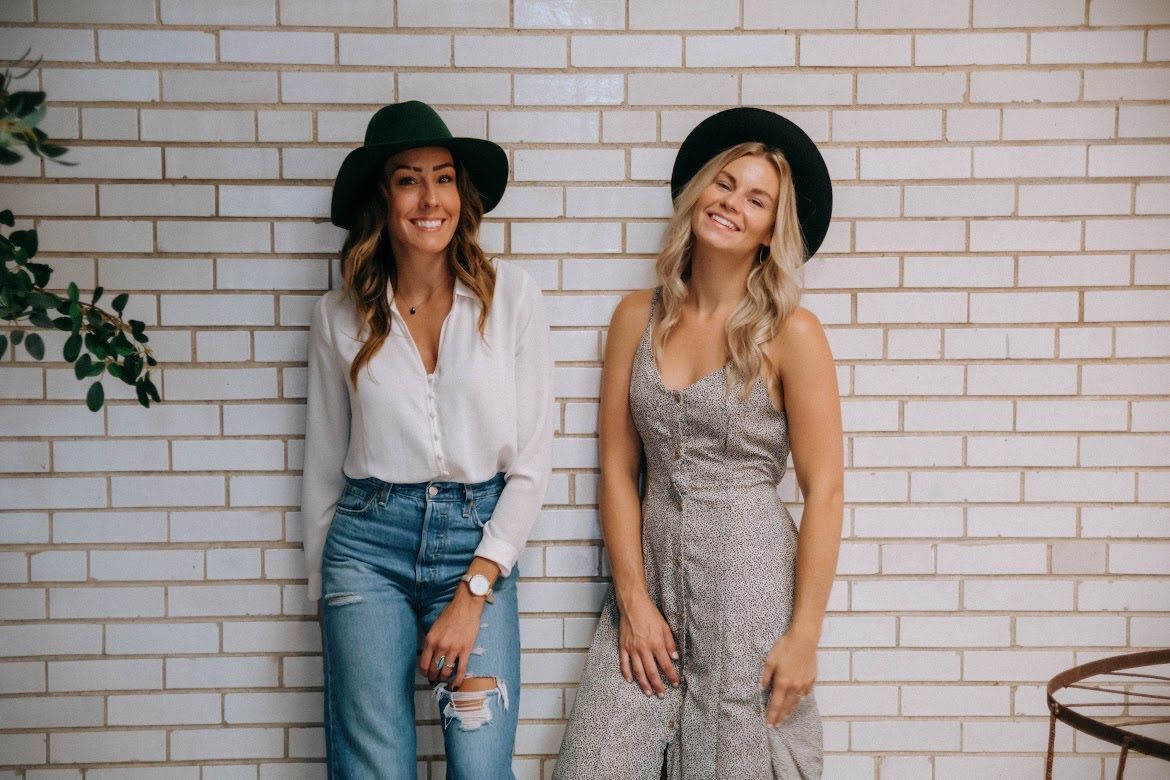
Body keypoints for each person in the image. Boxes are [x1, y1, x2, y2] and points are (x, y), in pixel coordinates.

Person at [554, 107, 844, 779]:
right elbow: (618, 471)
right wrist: (632, 601)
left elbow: (825, 491)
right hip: (647, 594)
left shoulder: (793, 335)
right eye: (724, 184)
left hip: (750, 605)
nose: (731, 204)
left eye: (756, 199)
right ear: (698, 191)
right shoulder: (636, 317)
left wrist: (804, 636)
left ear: (773, 230)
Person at [300, 100, 553, 779]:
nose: (429, 197)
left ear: (461, 196)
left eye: (443, 178)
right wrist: (324, 597)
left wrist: (474, 592)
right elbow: (325, 464)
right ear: (383, 198)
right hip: (365, 554)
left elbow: (531, 466)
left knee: (480, 768)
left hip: (477, 547)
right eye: (408, 179)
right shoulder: (338, 316)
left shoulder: (514, 298)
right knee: (373, 771)